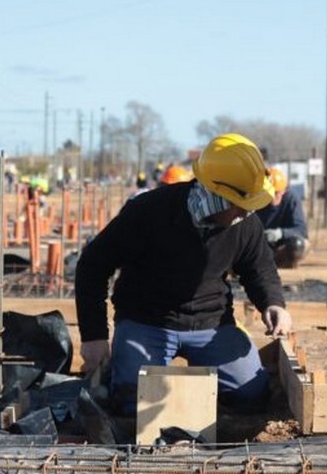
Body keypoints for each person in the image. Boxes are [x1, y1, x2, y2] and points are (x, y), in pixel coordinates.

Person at [76, 133, 292, 415]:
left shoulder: (244, 223)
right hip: (147, 320)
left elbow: (259, 267)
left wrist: (273, 302)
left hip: (211, 322)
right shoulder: (148, 212)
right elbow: (92, 265)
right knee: (135, 403)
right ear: (218, 197)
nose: (246, 211)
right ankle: (120, 378)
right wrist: (94, 336)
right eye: (240, 203)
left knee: (250, 394)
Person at [256, 166, 309, 269]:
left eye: (276, 193)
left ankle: (287, 264)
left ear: (284, 190)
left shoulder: (291, 199)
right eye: (269, 193)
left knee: (297, 244)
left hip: (283, 245)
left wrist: (280, 233)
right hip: (263, 245)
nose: (272, 198)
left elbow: (301, 230)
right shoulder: (257, 201)